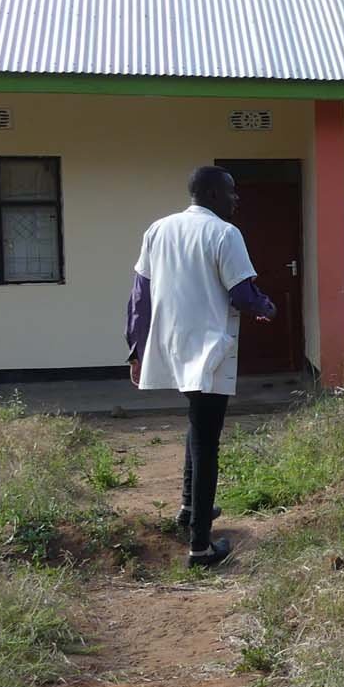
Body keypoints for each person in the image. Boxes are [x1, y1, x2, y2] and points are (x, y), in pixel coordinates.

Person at [126, 166, 276, 567]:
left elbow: (139, 295)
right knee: (207, 438)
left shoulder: (158, 230)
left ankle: (191, 510)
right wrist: (267, 307)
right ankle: (200, 546)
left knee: (197, 425)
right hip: (208, 347)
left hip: (171, 344)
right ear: (211, 194)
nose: (236, 199)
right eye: (231, 192)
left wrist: (136, 350)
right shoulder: (225, 234)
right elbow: (242, 293)